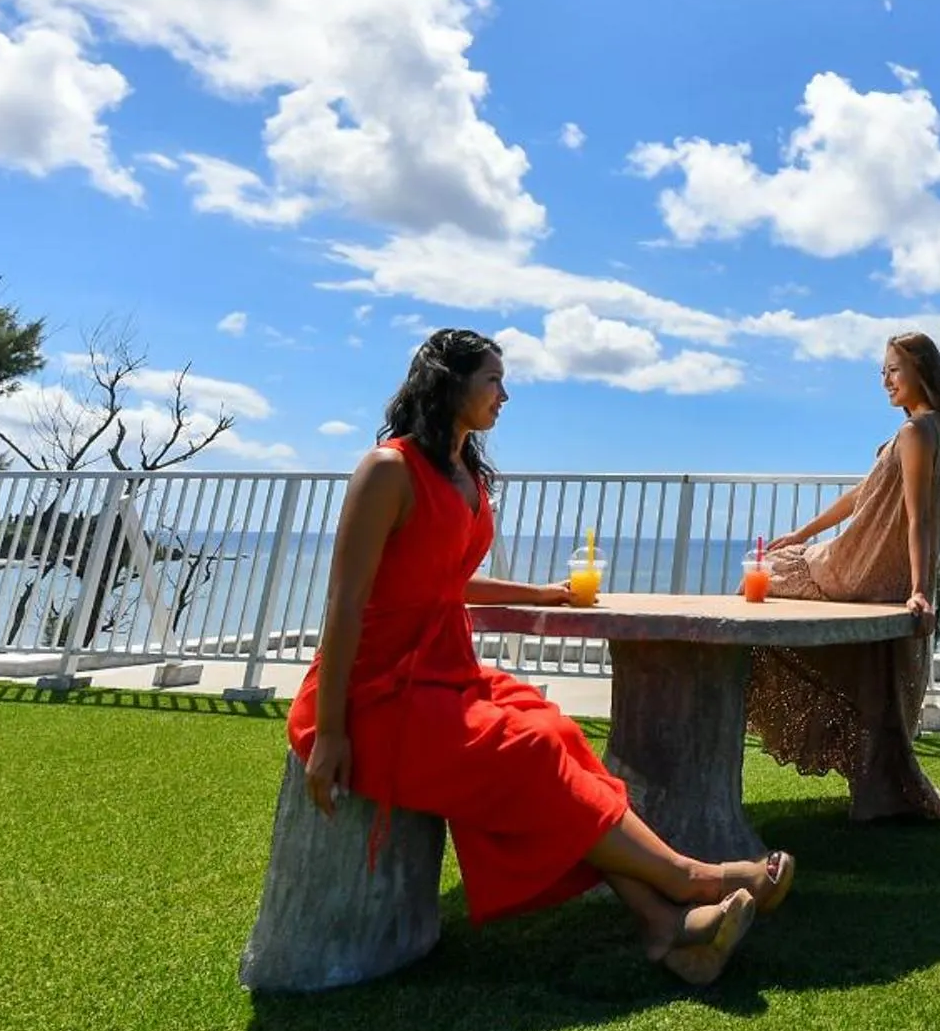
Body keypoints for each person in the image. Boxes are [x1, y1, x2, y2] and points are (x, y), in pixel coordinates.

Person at [288, 327, 794, 985]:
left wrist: (543, 593)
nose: (506, 393)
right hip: (371, 693)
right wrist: (330, 731)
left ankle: (663, 926)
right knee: (528, 750)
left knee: (555, 730)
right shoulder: (389, 469)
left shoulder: (464, 471)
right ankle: (692, 877)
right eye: (493, 379)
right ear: (451, 382)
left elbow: (441, 578)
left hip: (444, 671)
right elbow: (345, 602)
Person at [746, 331, 940, 823]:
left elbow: (916, 517)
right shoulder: (935, 431)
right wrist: (803, 531)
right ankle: (873, 780)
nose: (886, 381)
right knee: (785, 566)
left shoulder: (915, 433)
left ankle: (723, 728)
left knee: (757, 584)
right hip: (873, 572)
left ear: (922, 371)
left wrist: (919, 591)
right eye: (883, 372)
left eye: (894, 370)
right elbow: (862, 495)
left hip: (858, 569)